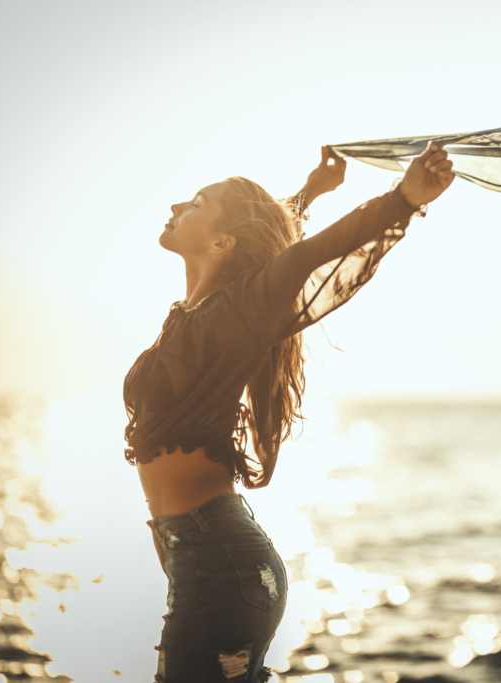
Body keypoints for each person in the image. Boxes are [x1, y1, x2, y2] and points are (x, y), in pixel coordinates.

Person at [123, 143, 455, 682]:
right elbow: (266, 247)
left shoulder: (239, 310)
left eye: (196, 202)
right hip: (202, 559)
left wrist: (402, 200)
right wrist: (307, 195)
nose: (178, 204)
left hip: (219, 561)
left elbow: (302, 260)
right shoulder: (199, 313)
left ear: (220, 239)